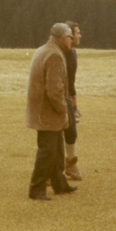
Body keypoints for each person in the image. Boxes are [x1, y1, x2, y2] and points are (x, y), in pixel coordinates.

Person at [27, 23, 78, 201]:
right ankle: (36, 188)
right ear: (63, 38)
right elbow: (55, 90)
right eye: (71, 37)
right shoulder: (55, 55)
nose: (72, 40)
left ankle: (60, 184)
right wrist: (64, 110)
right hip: (49, 112)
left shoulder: (44, 50)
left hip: (42, 110)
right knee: (48, 151)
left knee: (56, 149)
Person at [62, 21, 83, 181]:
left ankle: (70, 163)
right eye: (77, 33)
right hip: (55, 96)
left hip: (67, 95)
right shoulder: (58, 53)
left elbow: (71, 80)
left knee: (71, 131)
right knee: (53, 134)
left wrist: (74, 100)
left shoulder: (73, 53)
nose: (80, 36)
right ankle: (53, 168)